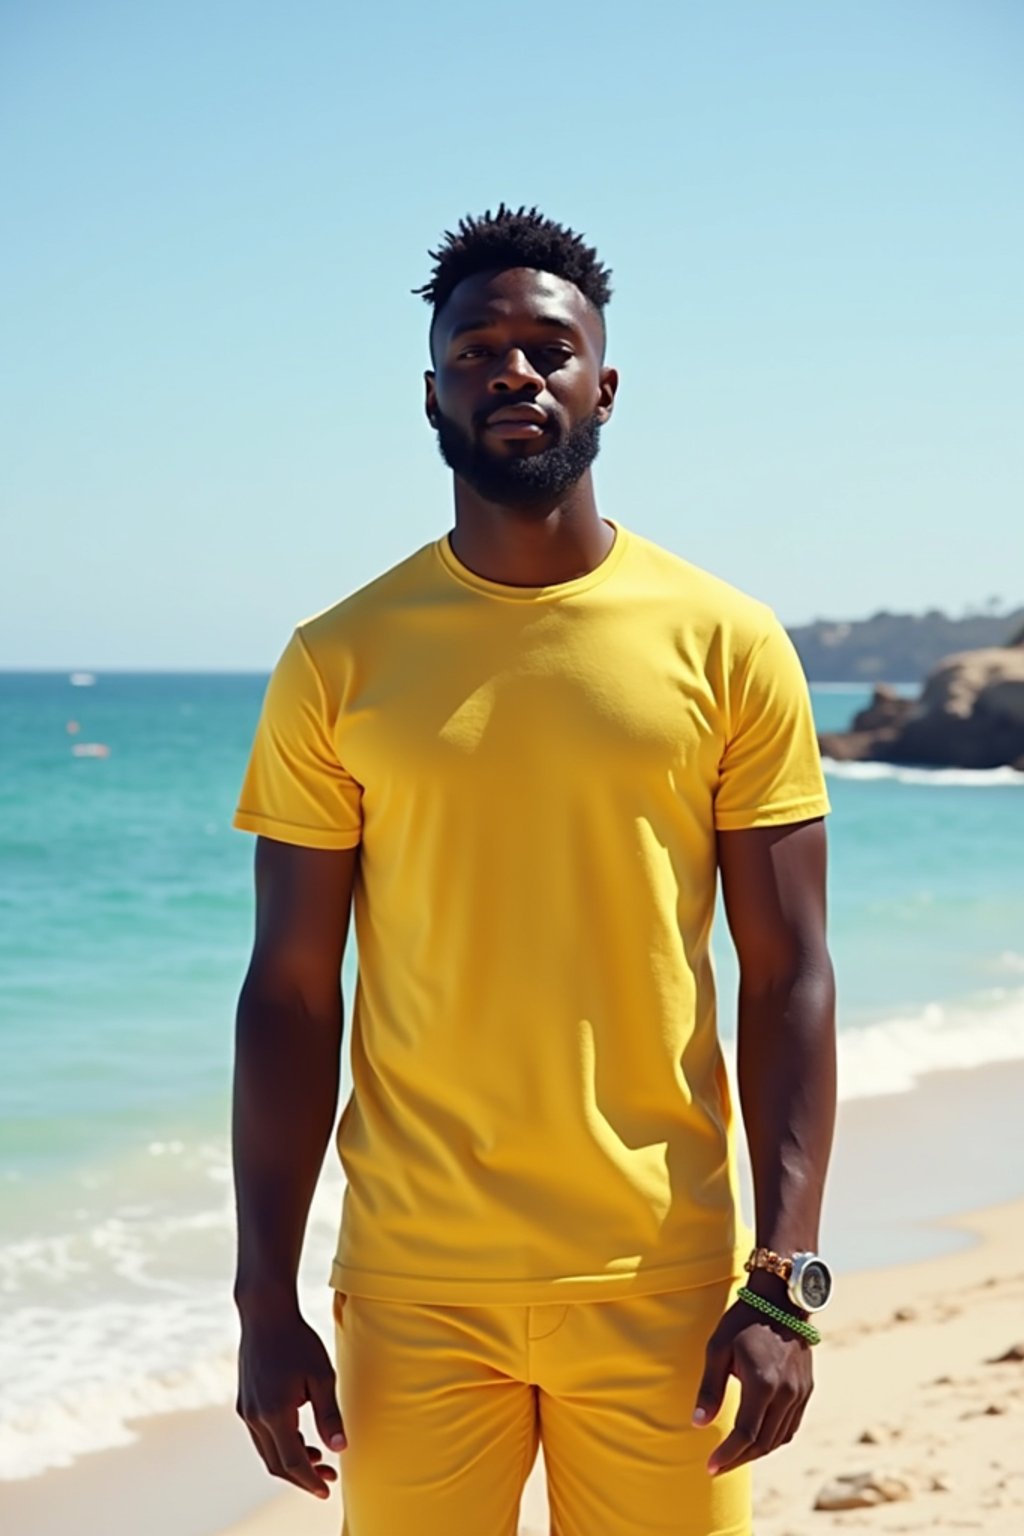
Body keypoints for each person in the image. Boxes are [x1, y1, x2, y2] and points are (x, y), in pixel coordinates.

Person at [231, 205, 837, 1536]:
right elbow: (288, 994)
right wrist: (262, 1301)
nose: (514, 372)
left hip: (662, 1281)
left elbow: (787, 973)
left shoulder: (726, 643)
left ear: (602, 382)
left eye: (547, 350)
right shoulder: (339, 659)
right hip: (414, 1288)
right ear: (433, 392)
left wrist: (782, 1281)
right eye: (478, 351)